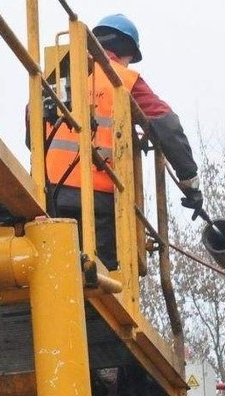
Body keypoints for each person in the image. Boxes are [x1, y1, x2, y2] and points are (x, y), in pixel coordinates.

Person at [43, 14, 202, 269]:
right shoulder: (122, 80)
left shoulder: (60, 76)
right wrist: (190, 181)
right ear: (126, 51)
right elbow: (167, 126)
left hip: (50, 195)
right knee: (102, 281)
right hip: (101, 201)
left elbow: (33, 124)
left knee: (56, 270)